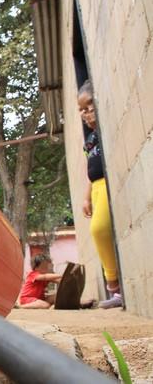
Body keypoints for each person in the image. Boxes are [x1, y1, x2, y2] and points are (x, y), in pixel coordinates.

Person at [78, 80, 122, 309]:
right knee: (98, 229)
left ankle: (114, 287)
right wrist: (86, 197)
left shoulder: (105, 130)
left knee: (99, 229)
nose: (85, 114)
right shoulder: (91, 139)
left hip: (106, 183)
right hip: (95, 187)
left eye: (89, 107)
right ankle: (115, 292)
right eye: (82, 111)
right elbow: (88, 171)